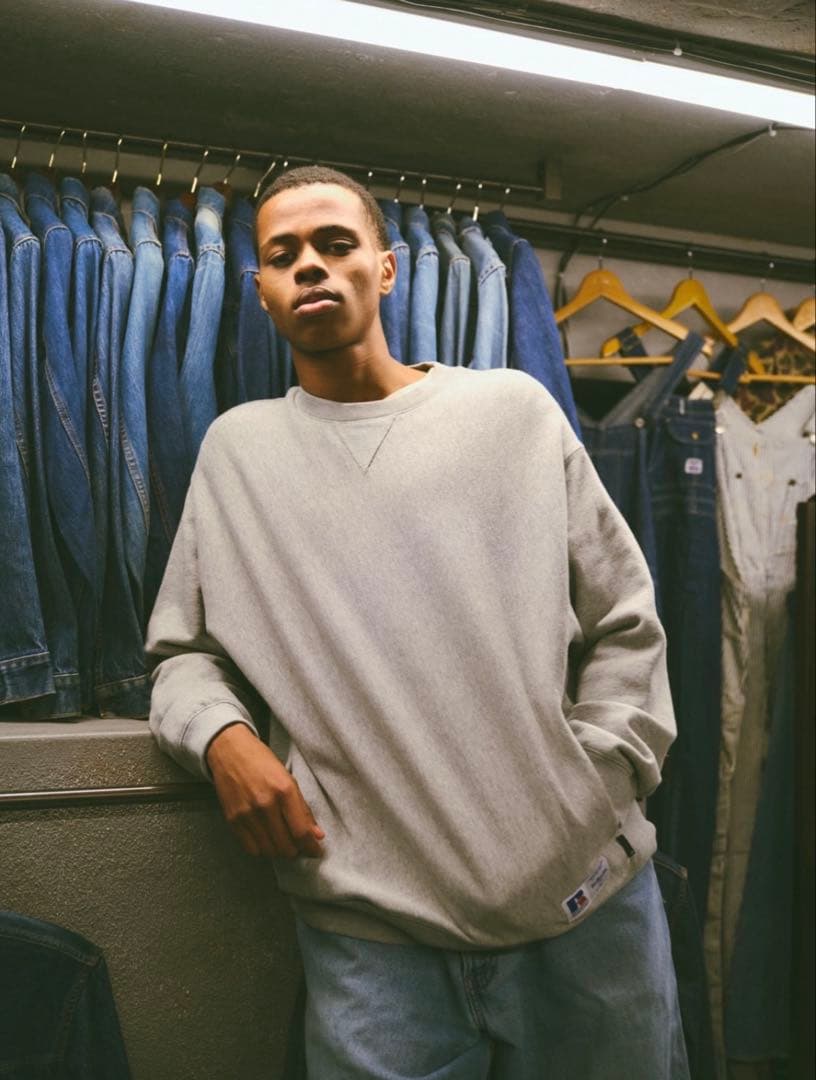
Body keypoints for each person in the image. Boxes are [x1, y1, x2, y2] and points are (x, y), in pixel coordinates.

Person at [145, 165, 689, 1079]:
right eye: (283, 254)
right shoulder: (238, 453)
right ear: (262, 291)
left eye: (336, 244)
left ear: (388, 268)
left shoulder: (511, 412)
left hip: (584, 911)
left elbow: (626, 622)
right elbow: (180, 654)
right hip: (372, 940)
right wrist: (222, 739)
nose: (310, 266)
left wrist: (595, 788)